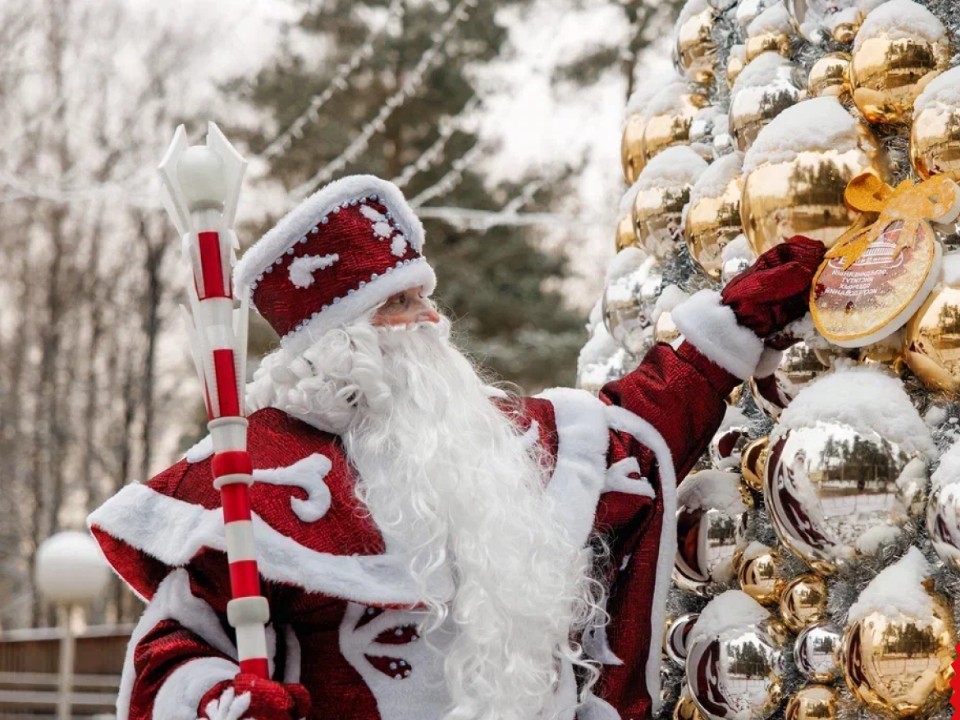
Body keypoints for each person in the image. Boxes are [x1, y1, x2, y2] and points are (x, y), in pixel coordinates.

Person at [88, 175, 824, 720]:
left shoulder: (495, 442)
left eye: (424, 296)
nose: (432, 321)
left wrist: (730, 330)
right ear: (342, 339)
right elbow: (168, 654)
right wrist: (219, 700)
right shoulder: (253, 480)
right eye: (402, 305)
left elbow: (633, 429)